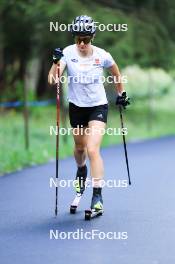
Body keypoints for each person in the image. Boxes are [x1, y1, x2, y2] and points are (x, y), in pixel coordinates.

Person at [48, 15, 130, 213]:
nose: (82, 43)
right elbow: (53, 80)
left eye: (86, 39)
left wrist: (121, 94)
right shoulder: (67, 53)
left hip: (97, 106)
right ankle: (81, 169)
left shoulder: (102, 55)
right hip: (76, 107)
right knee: (79, 148)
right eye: (78, 39)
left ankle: (97, 196)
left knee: (92, 149)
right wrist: (55, 62)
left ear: (92, 36)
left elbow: (116, 74)